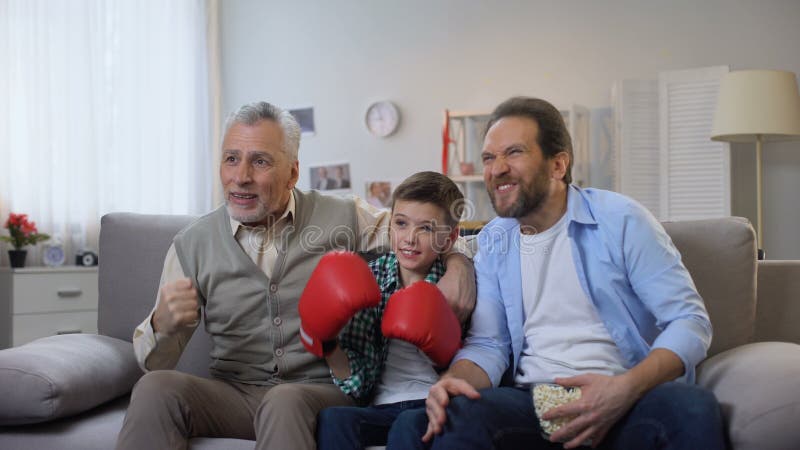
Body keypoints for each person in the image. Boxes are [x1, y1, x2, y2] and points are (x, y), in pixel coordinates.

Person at [115, 101, 476, 450]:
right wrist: (162, 324)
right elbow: (152, 364)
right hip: (234, 393)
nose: (241, 177)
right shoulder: (191, 243)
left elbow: (419, 233)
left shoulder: (343, 216)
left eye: (260, 161)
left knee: (284, 400)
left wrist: (458, 263)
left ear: (292, 172)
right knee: (156, 388)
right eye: (231, 159)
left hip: (318, 391)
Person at [389, 97, 726, 450]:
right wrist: (453, 380)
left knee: (692, 406)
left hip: (627, 393)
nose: (497, 168)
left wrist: (624, 388)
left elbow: (690, 322)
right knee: (447, 417)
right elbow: (490, 343)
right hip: (532, 402)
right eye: (489, 157)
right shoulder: (493, 241)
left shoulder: (622, 220)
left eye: (514, 152)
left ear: (558, 164)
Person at [308, 171, 465, 449]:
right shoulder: (372, 277)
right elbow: (359, 386)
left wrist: (436, 343)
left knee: (406, 427)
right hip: (381, 406)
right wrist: (329, 344)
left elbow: (472, 364)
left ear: (449, 238)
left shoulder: (455, 286)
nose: (410, 238)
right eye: (401, 224)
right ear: (389, 224)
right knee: (334, 419)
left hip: (436, 405)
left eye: (426, 229)